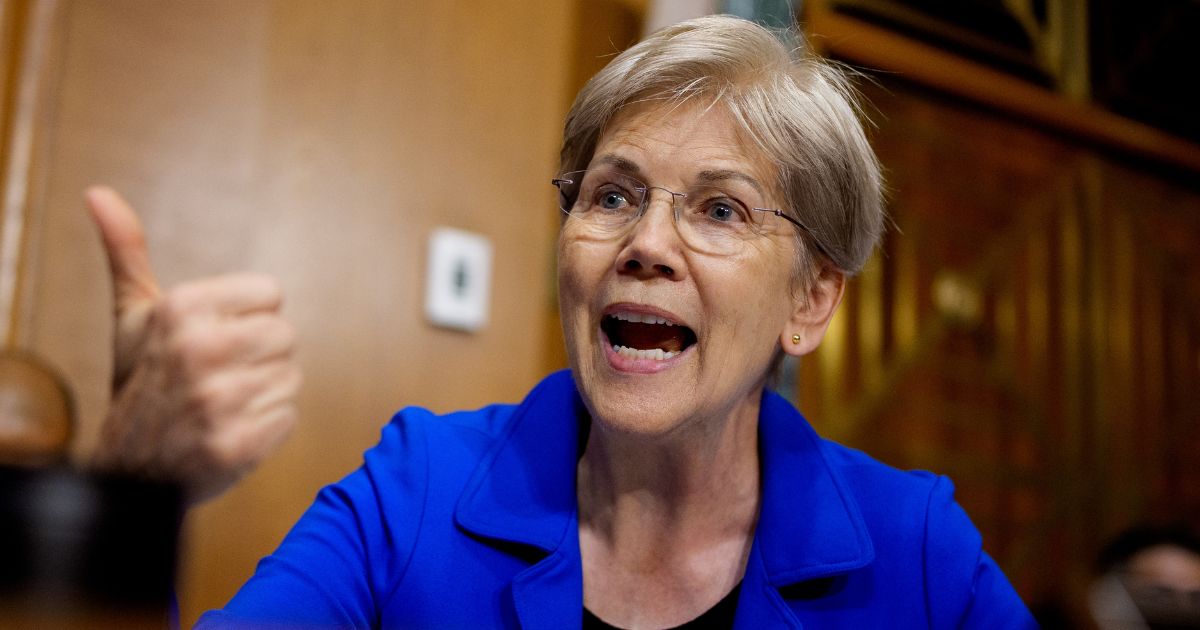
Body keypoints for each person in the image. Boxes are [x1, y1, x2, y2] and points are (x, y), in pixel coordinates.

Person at [87, 15, 1035, 628]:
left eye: (720, 209)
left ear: (810, 301)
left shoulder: (917, 552)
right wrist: (129, 497)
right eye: (613, 195)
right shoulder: (414, 492)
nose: (647, 244)